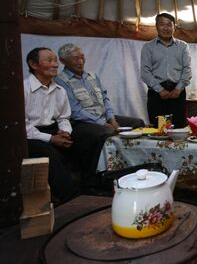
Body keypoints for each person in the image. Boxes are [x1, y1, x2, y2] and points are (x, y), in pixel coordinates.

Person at [55, 43, 145, 182]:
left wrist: (111, 118)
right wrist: (102, 123)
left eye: (82, 57)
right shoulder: (61, 81)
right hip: (81, 123)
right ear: (63, 61)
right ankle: (98, 176)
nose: (80, 62)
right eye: (75, 59)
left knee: (137, 123)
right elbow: (75, 111)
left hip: (103, 118)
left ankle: (134, 165)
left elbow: (105, 98)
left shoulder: (92, 76)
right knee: (104, 133)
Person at [24, 47, 76, 202]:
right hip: (31, 134)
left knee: (88, 138)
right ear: (33, 64)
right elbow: (23, 126)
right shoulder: (23, 89)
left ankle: (90, 184)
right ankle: (70, 198)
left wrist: (65, 132)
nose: (55, 65)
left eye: (55, 61)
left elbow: (63, 117)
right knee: (48, 152)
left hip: (54, 130)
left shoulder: (59, 90)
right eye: (49, 60)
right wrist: (51, 139)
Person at [141, 12, 192, 128]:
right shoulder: (148, 47)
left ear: (174, 27)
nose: (166, 28)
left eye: (169, 24)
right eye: (162, 24)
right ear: (156, 26)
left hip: (177, 93)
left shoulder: (183, 46)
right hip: (156, 94)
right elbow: (145, 72)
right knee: (159, 130)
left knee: (178, 130)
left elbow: (187, 69)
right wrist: (160, 90)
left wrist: (178, 89)